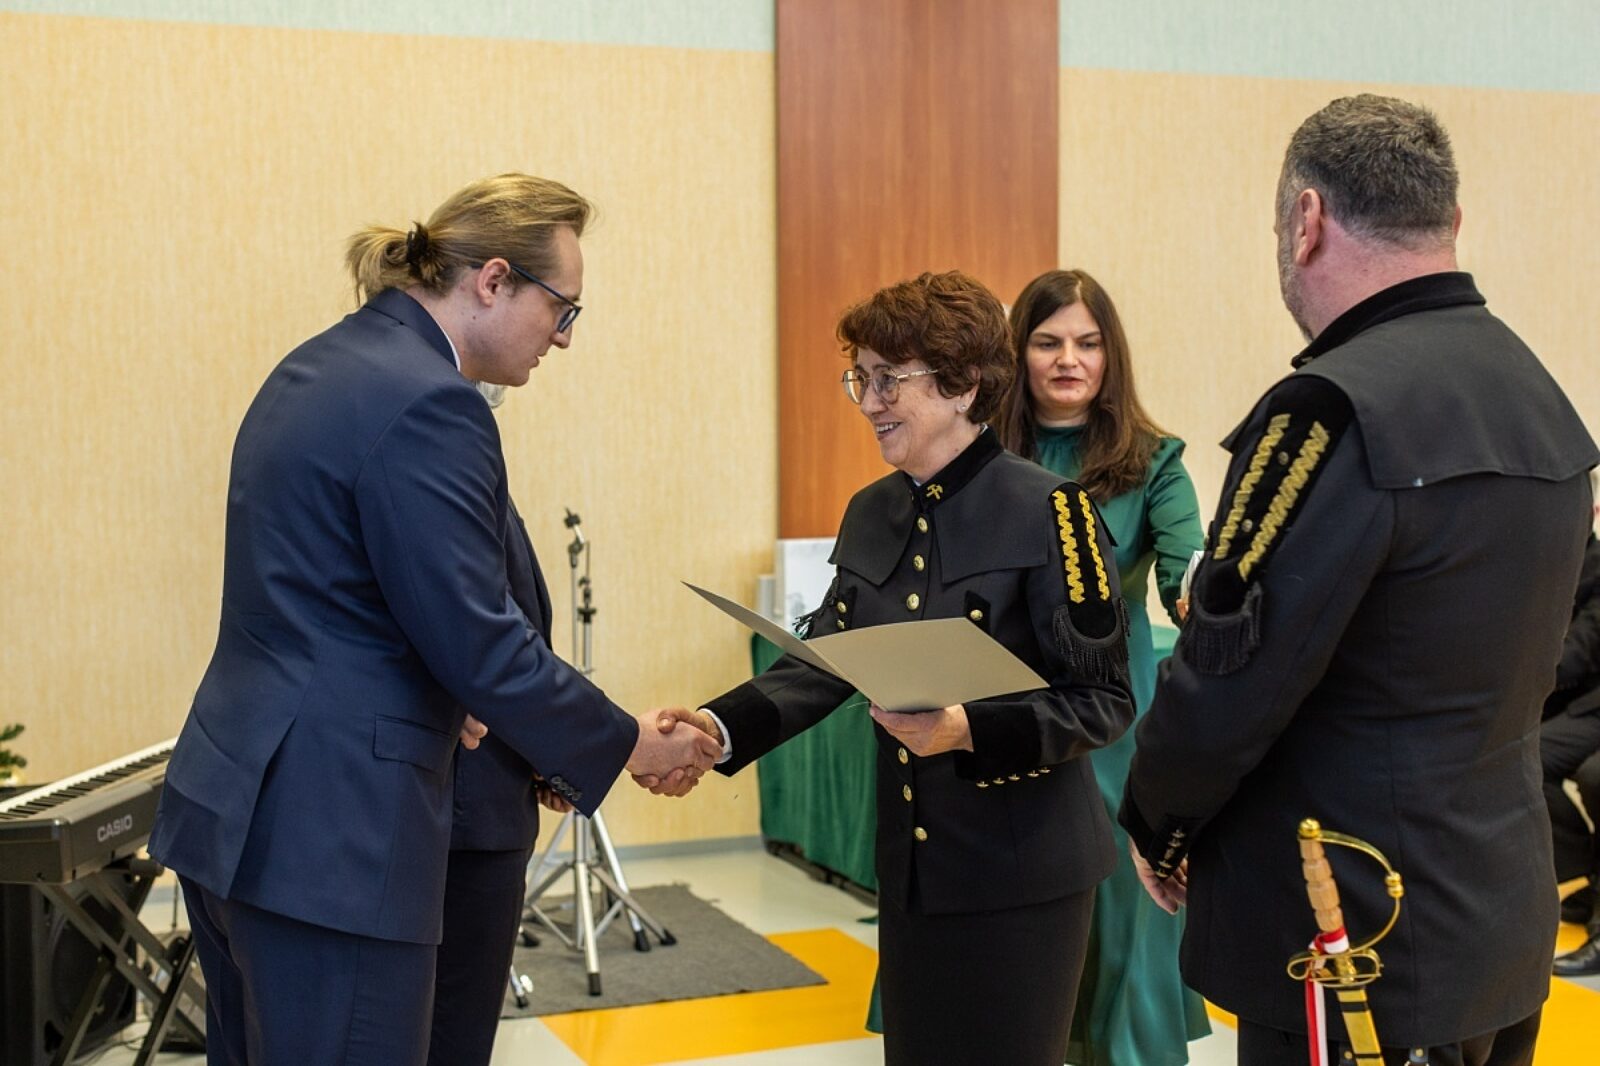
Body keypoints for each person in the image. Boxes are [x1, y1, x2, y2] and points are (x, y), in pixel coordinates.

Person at [149, 174, 720, 1066]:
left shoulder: (320, 364)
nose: (563, 338)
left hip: (245, 812)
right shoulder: (430, 400)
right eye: (562, 309)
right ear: (493, 281)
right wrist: (625, 744)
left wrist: (478, 708)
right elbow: (479, 642)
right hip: (339, 842)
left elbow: (350, 606)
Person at [1119, 94, 1597, 1065]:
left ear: (1305, 219)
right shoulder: (1539, 396)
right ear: (1450, 220)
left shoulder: (1329, 413)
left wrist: (1158, 822)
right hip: (1499, 918)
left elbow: (1229, 675)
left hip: (1355, 930)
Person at [644, 270, 1135, 1065]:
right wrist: (715, 728)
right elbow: (824, 662)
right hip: (915, 870)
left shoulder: (1052, 511)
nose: (869, 402)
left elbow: (1102, 700)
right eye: (861, 379)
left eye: (888, 380)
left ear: (963, 384)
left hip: (1025, 878)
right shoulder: (872, 509)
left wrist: (968, 729)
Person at [992, 268, 1209, 1065]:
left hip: (1115, 717)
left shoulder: (1154, 461)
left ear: (1110, 354)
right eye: (1047, 342)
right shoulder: (979, 453)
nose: (1068, 360)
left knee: (1123, 914)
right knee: (1016, 914)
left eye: (1087, 343)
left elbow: (1188, 569)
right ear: (1017, 352)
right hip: (1004, 706)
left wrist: (1200, 594)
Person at [1543, 473, 1600, 977]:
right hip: (1565, 703)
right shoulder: (1542, 562)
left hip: (1585, 703)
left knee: (1593, 775)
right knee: (1511, 755)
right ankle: (1585, 876)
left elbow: (1577, 654)